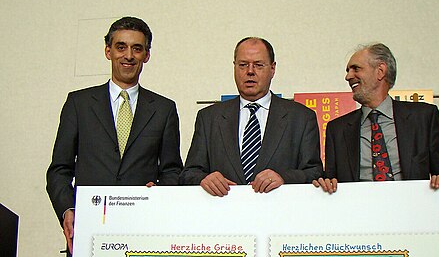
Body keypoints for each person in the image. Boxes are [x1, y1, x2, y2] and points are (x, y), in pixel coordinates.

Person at [46, 17, 183, 255]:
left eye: (137, 48)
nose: (128, 55)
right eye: (121, 47)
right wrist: (68, 209)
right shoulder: (78, 103)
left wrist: (161, 192)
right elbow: (59, 169)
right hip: (89, 232)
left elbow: (172, 171)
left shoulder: (164, 109)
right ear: (108, 51)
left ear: (146, 56)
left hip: (143, 232)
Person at [180, 37, 322, 197]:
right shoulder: (209, 118)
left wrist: (284, 177)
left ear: (273, 69)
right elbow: (189, 173)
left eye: (258, 65)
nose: (250, 71)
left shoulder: (301, 118)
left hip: (280, 214)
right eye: (243, 65)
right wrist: (204, 179)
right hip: (223, 215)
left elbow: (315, 172)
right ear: (234, 67)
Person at [313, 43, 439, 193]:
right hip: (359, 212)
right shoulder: (337, 129)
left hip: (412, 211)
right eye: (348, 71)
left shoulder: (423, 117)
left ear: (380, 71)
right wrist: (326, 183)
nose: (348, 76)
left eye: (356, 68)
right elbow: (330, 180)